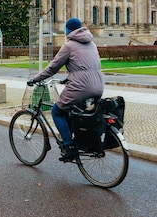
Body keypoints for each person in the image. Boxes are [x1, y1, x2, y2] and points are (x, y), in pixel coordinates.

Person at [27, 18, 104, 162]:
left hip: (81, 87)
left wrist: (35, 79)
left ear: (68, 30)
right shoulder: (92, 43)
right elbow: (84, 66)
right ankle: (75, 140)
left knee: (57, 111)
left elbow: (52, 68)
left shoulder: (69, 46)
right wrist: (68, 79)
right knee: (71, 111)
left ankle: (69, 146)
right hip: (98, 86)